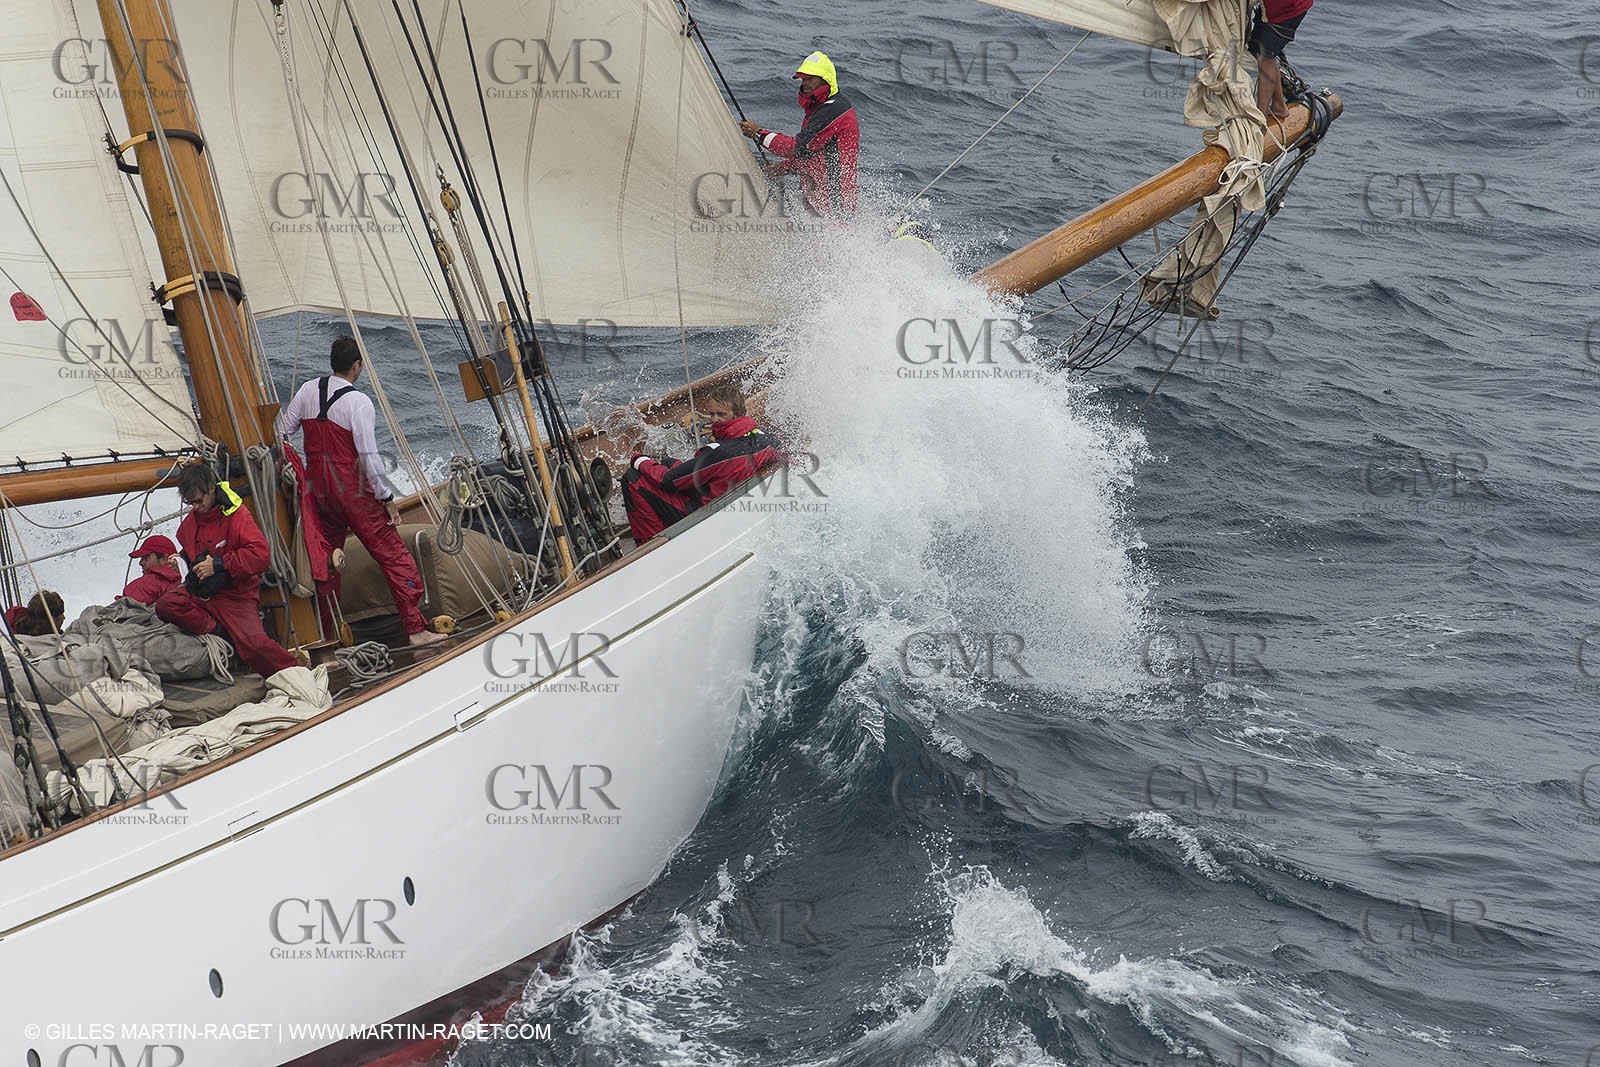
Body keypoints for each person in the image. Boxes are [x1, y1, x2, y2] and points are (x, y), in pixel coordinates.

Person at [277, 337, 443, 647]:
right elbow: (369, 457)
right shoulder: (359, 402)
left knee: (327, 566)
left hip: (317, 490)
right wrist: (386, 498)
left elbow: (283, 435)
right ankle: (416, 629)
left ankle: (325, 641)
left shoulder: (307, 390)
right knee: (394, 557)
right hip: (352, 493)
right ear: (357, 366)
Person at [154, 464, 299, 678]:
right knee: (166, 605)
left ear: (211, 489)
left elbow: (260, 555)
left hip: (235, 595)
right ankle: (224, 633)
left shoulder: (237, 516)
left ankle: (298, 673)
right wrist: (182, 559)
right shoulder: (190, 525)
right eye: (189, 502)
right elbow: (193, 550)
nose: (194, 507)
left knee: (255, 645)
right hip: (202, 593)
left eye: (198, 500)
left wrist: (219, 564)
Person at [621, 385, 785, 542]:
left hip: (705, 516)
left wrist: (639, 460)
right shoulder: (764, 438)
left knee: (633, 479)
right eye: (711, 414)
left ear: (738, 414)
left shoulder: (718, 452)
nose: (714, 420)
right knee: (668, 462)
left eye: (721, 414)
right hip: (731, 502)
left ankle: (650, 545)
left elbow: (668, 480)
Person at [739, 51, 860, 218]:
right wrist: (784, 168)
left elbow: (797, 148)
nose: (805, 83)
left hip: (834, 203)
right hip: (818, 202)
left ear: (825, 79)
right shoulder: (819, 109)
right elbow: (812, 156)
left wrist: (759, 134)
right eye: (803, 79)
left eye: (811, 78)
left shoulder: (833, 110)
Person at [1249, 0, 1312, 120]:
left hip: (1285, 10)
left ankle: (1260, 118)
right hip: (1272, 10)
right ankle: (1278, 106)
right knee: (1257, 49)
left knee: (1265, 57)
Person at [121, 534, 182, 606]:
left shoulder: (149, 582)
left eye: (146, 558)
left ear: (164, 559)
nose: (141, 563)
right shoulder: (188, 578)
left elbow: (125, 609)